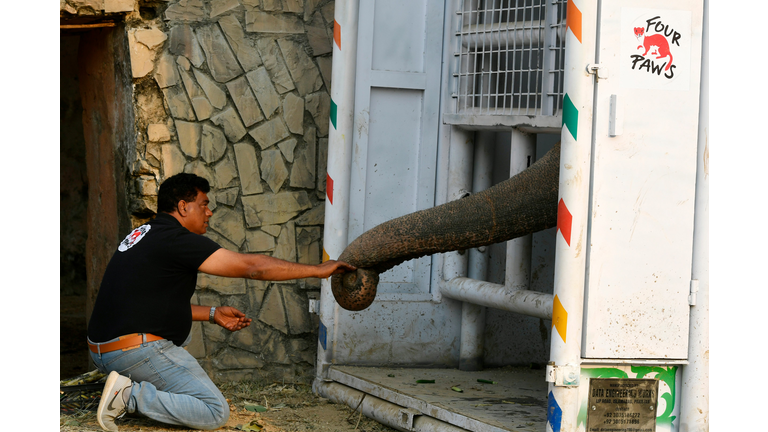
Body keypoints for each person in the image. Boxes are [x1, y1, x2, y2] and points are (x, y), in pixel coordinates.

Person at [87, 173, 355, 431]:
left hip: (104, 353)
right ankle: (127, 396)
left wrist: (213, 313)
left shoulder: (143, 234)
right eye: (204, 205)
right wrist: (317, 270)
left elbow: (146, 304)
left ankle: (118, 385)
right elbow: (253, 268)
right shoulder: (176, 239)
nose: (210, 212)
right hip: (135, 353)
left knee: (182, 335)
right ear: (183, 207)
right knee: (213, 410)